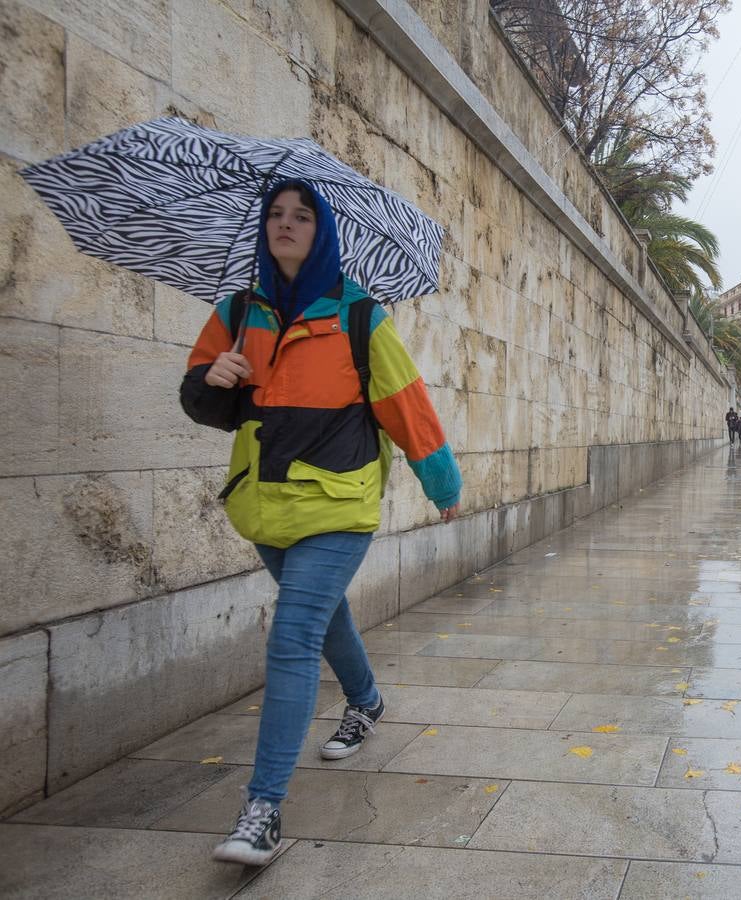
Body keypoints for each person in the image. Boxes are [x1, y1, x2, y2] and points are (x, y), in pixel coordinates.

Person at [180, 179, 462, 867]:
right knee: (323, 616)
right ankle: (365, 700)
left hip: (339, 504)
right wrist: (211, 378)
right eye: (276, 214)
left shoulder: (360, 316)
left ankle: (262, 810)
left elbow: (407, 405)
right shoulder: (236, 312)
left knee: (294, 633)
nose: (286, 224)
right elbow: (200, 401)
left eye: (302, 216)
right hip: (264, 504)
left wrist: (441, 481)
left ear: (323, 232)